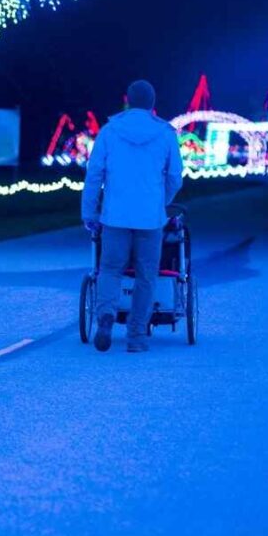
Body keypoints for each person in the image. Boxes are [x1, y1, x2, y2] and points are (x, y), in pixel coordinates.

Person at [81, 80, 184, 353]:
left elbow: (94, 175)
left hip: (115, 217)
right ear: (153, 103)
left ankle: (106, 315)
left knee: (110, 269)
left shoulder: (109, 131)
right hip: (150, 219)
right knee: (146, 275)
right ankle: (137, 336)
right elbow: (175, 177)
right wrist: (161, 202)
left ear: (128, 101)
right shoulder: (165, 133)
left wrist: (89, 211)